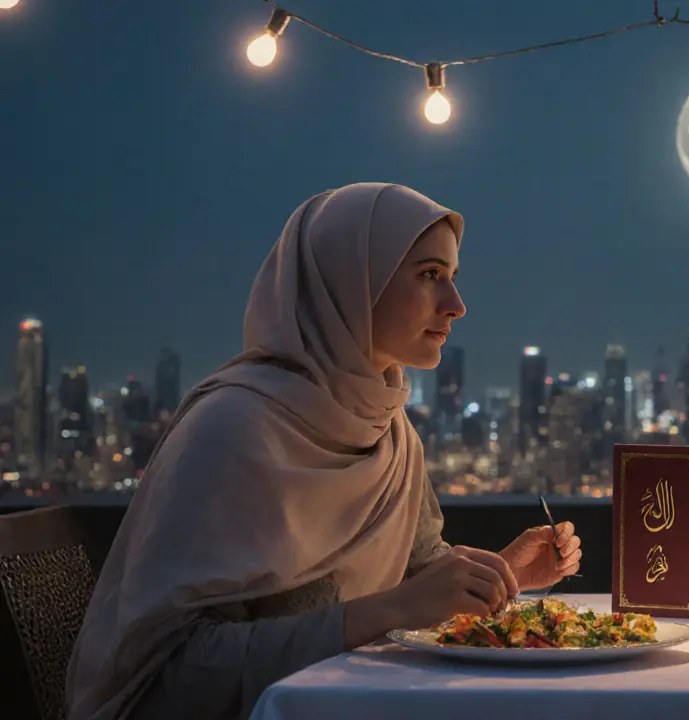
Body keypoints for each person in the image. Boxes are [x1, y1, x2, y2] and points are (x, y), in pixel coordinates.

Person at [66, 183, 583, 720]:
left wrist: (499, 576)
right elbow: (169, 677)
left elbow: (414, 579)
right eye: (430, 275)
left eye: (452, 278)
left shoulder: (388, 431)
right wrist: (395, 608)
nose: (456, 305)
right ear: (348, 284)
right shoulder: (233, 431)